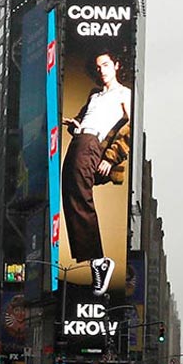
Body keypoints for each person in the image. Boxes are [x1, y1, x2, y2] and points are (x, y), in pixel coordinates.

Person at [61, 52, 132, 295]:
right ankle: (96, 262)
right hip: (80, 140)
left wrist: (111, 158)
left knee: (79, 194)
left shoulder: (125, 94)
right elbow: (85, 119)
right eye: (97, 66)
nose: (101, 69)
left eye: (106, 64)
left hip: (93, 144)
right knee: (71, 191)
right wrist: (76, 126)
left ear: (116, 66)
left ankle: (99, 262)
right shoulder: (94, 95)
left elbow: (130, 128)